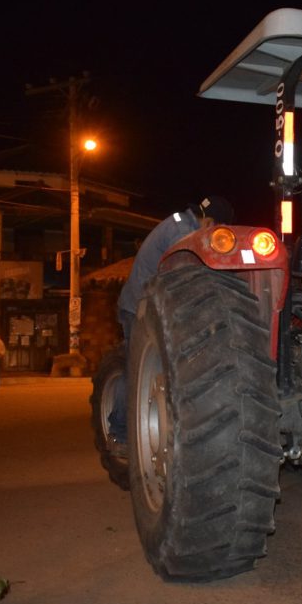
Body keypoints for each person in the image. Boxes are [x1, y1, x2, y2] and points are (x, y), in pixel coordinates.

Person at [108, 195, 234, 454]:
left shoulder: (180, 224)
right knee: (135, 371)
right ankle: (119, 433)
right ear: (210, 223)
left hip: (152, 305)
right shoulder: (182, 233)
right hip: (138, 307)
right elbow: (190, 278)